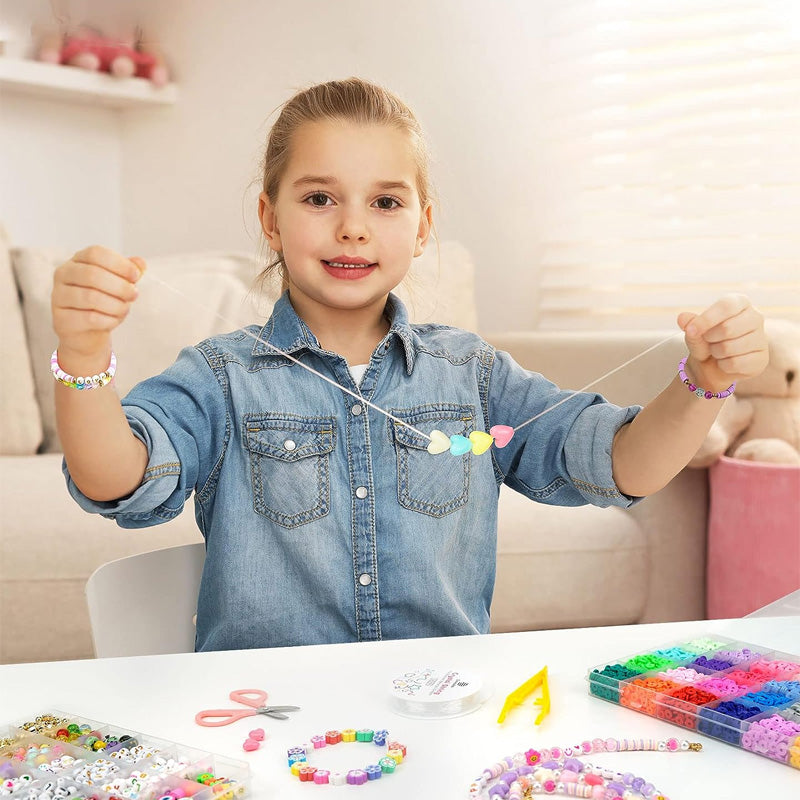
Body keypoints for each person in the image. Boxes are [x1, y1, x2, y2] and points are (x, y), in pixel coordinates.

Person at [52, 78, 768, 652]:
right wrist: (85, 356)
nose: (353, 225)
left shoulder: (474, 374)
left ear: (423, 225)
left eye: (386, 201)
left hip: (435, 716)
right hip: (267, 720)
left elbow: (619, 464)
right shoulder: (220, 377)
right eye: (319, 198)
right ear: (271, 219)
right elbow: (117, 480)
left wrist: (704, 384)